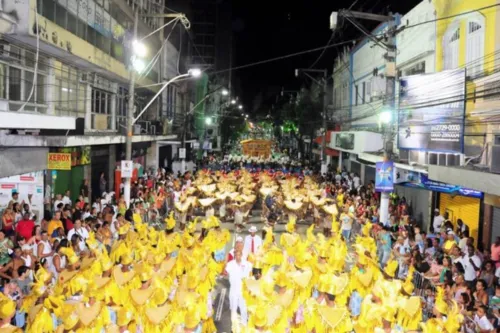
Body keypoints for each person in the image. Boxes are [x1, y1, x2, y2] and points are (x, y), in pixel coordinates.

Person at [225, 250, 252, 325]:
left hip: (243, 291)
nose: (238, 257)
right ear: (234, 255)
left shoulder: (247, 264)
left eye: (239, 255)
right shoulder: (230, 264)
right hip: (233, 290)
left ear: (241, 255)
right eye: (236, 255)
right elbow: (225, 272)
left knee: (243, 309)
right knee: (233, 310)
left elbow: (253, 270)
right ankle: (234, 327)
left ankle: (244, 326)